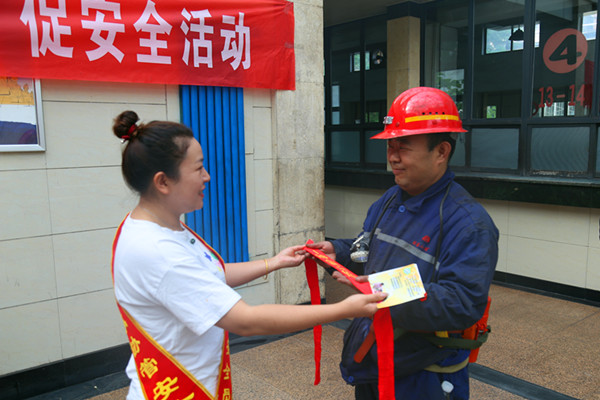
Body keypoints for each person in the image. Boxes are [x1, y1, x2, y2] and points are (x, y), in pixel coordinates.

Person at [110, 110, 387, 400]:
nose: (207, 177)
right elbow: (246, 320)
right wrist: (345, 309)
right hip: (174, 389)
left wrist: (274, 263)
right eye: (198, 168)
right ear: (163, 182)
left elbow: (208, 275)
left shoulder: (157, 227)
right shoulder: (157, 251)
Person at [309, 87, 499, 400]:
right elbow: (367, 250)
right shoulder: (390, 199)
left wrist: (384, 288)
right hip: (376, 360)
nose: (393, 157)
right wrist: (338, 251)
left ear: (441, 152)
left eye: (404, 147)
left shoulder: (469, 224)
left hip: (423, 375)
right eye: (390, 146)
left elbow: (461, 302)